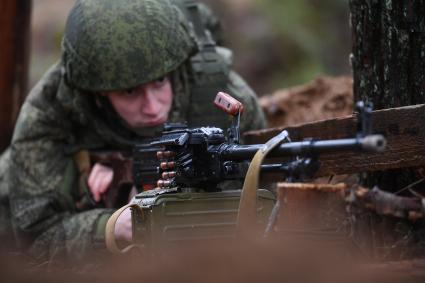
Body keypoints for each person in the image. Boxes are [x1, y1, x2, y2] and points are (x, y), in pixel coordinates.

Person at [0, 0, 266, 263]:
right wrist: (112, 226)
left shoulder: (222, 95)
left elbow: (268, 202)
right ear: (98, 93)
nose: (153, 107)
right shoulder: (48, 114)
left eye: (161, 80)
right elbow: (35, 239)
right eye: (129, 91)